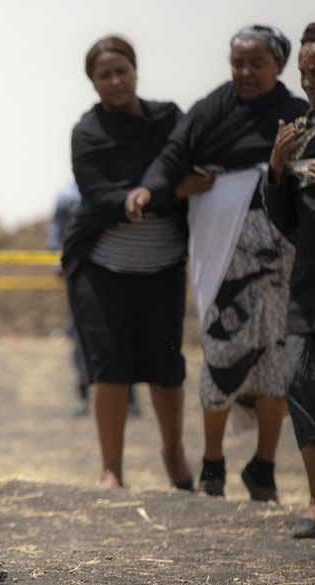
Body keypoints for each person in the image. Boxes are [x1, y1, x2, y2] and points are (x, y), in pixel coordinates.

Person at [130, 24, 308, 501]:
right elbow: (173, 156)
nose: (245, 72)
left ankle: (265, 468)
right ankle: (213, 462)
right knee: (223, 354)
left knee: (274, 360)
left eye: (256, 64)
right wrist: (150, 188)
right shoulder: (211, 109)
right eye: (238, 63)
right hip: (221, 254)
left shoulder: (296, 115)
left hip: (281, 263)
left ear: (280, 66)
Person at [63, 36, 206, 490]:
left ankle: (175, 456)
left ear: (135, 70)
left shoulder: (169, 118)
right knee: (111, 366)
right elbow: (96, 194)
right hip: (101, 266)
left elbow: (195, 168)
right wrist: (164, 190)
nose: (115, 80)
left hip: (163, 265)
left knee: (166, 367)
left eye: (121, 70)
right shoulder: (87, 132)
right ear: (94, 82)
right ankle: (112, 470)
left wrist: (158, 189)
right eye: (104, 75)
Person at [263, 22, 315, 536]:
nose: (309, 80)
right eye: (304, 72)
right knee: (299, 383)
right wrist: (278, 170)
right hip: (307, 289)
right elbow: (286, 223)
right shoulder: (298, 134)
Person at [47, 181, 139, 417]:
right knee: (82, 334)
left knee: (123, 331)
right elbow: (56, 229)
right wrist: (58, 259)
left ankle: (129, 396)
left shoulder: (118, 188)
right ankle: (82, 392)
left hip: (116, 270)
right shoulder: (67, 195)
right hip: (81, 273)